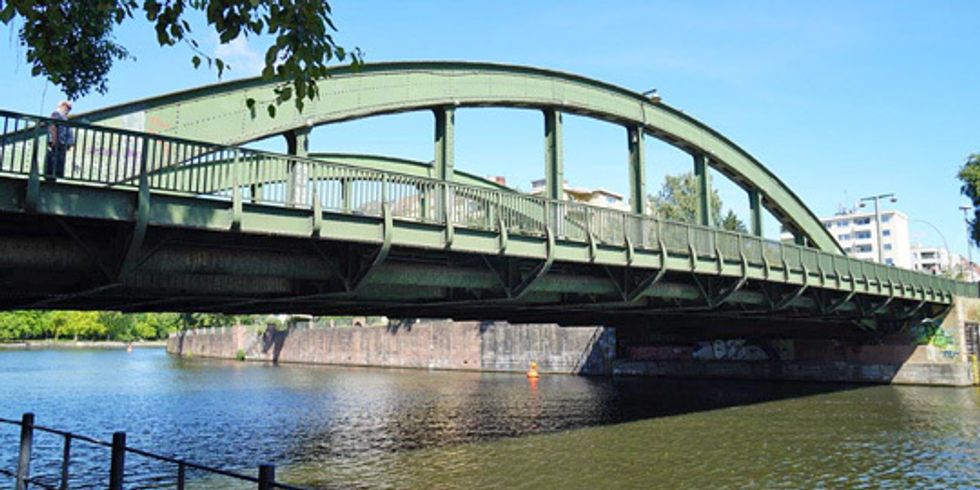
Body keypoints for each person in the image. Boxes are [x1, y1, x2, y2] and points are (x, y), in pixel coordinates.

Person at [44, 100, 74, 179]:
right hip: (58, 144)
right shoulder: (56, 114)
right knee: (54, 162)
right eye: (68, 108)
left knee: (59, 163)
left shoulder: (63, 117)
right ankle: (51, 176)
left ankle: (56, 175)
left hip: (61, 144)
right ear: (63, 106)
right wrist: (54, 141)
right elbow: (53, 127)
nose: (69, 110)